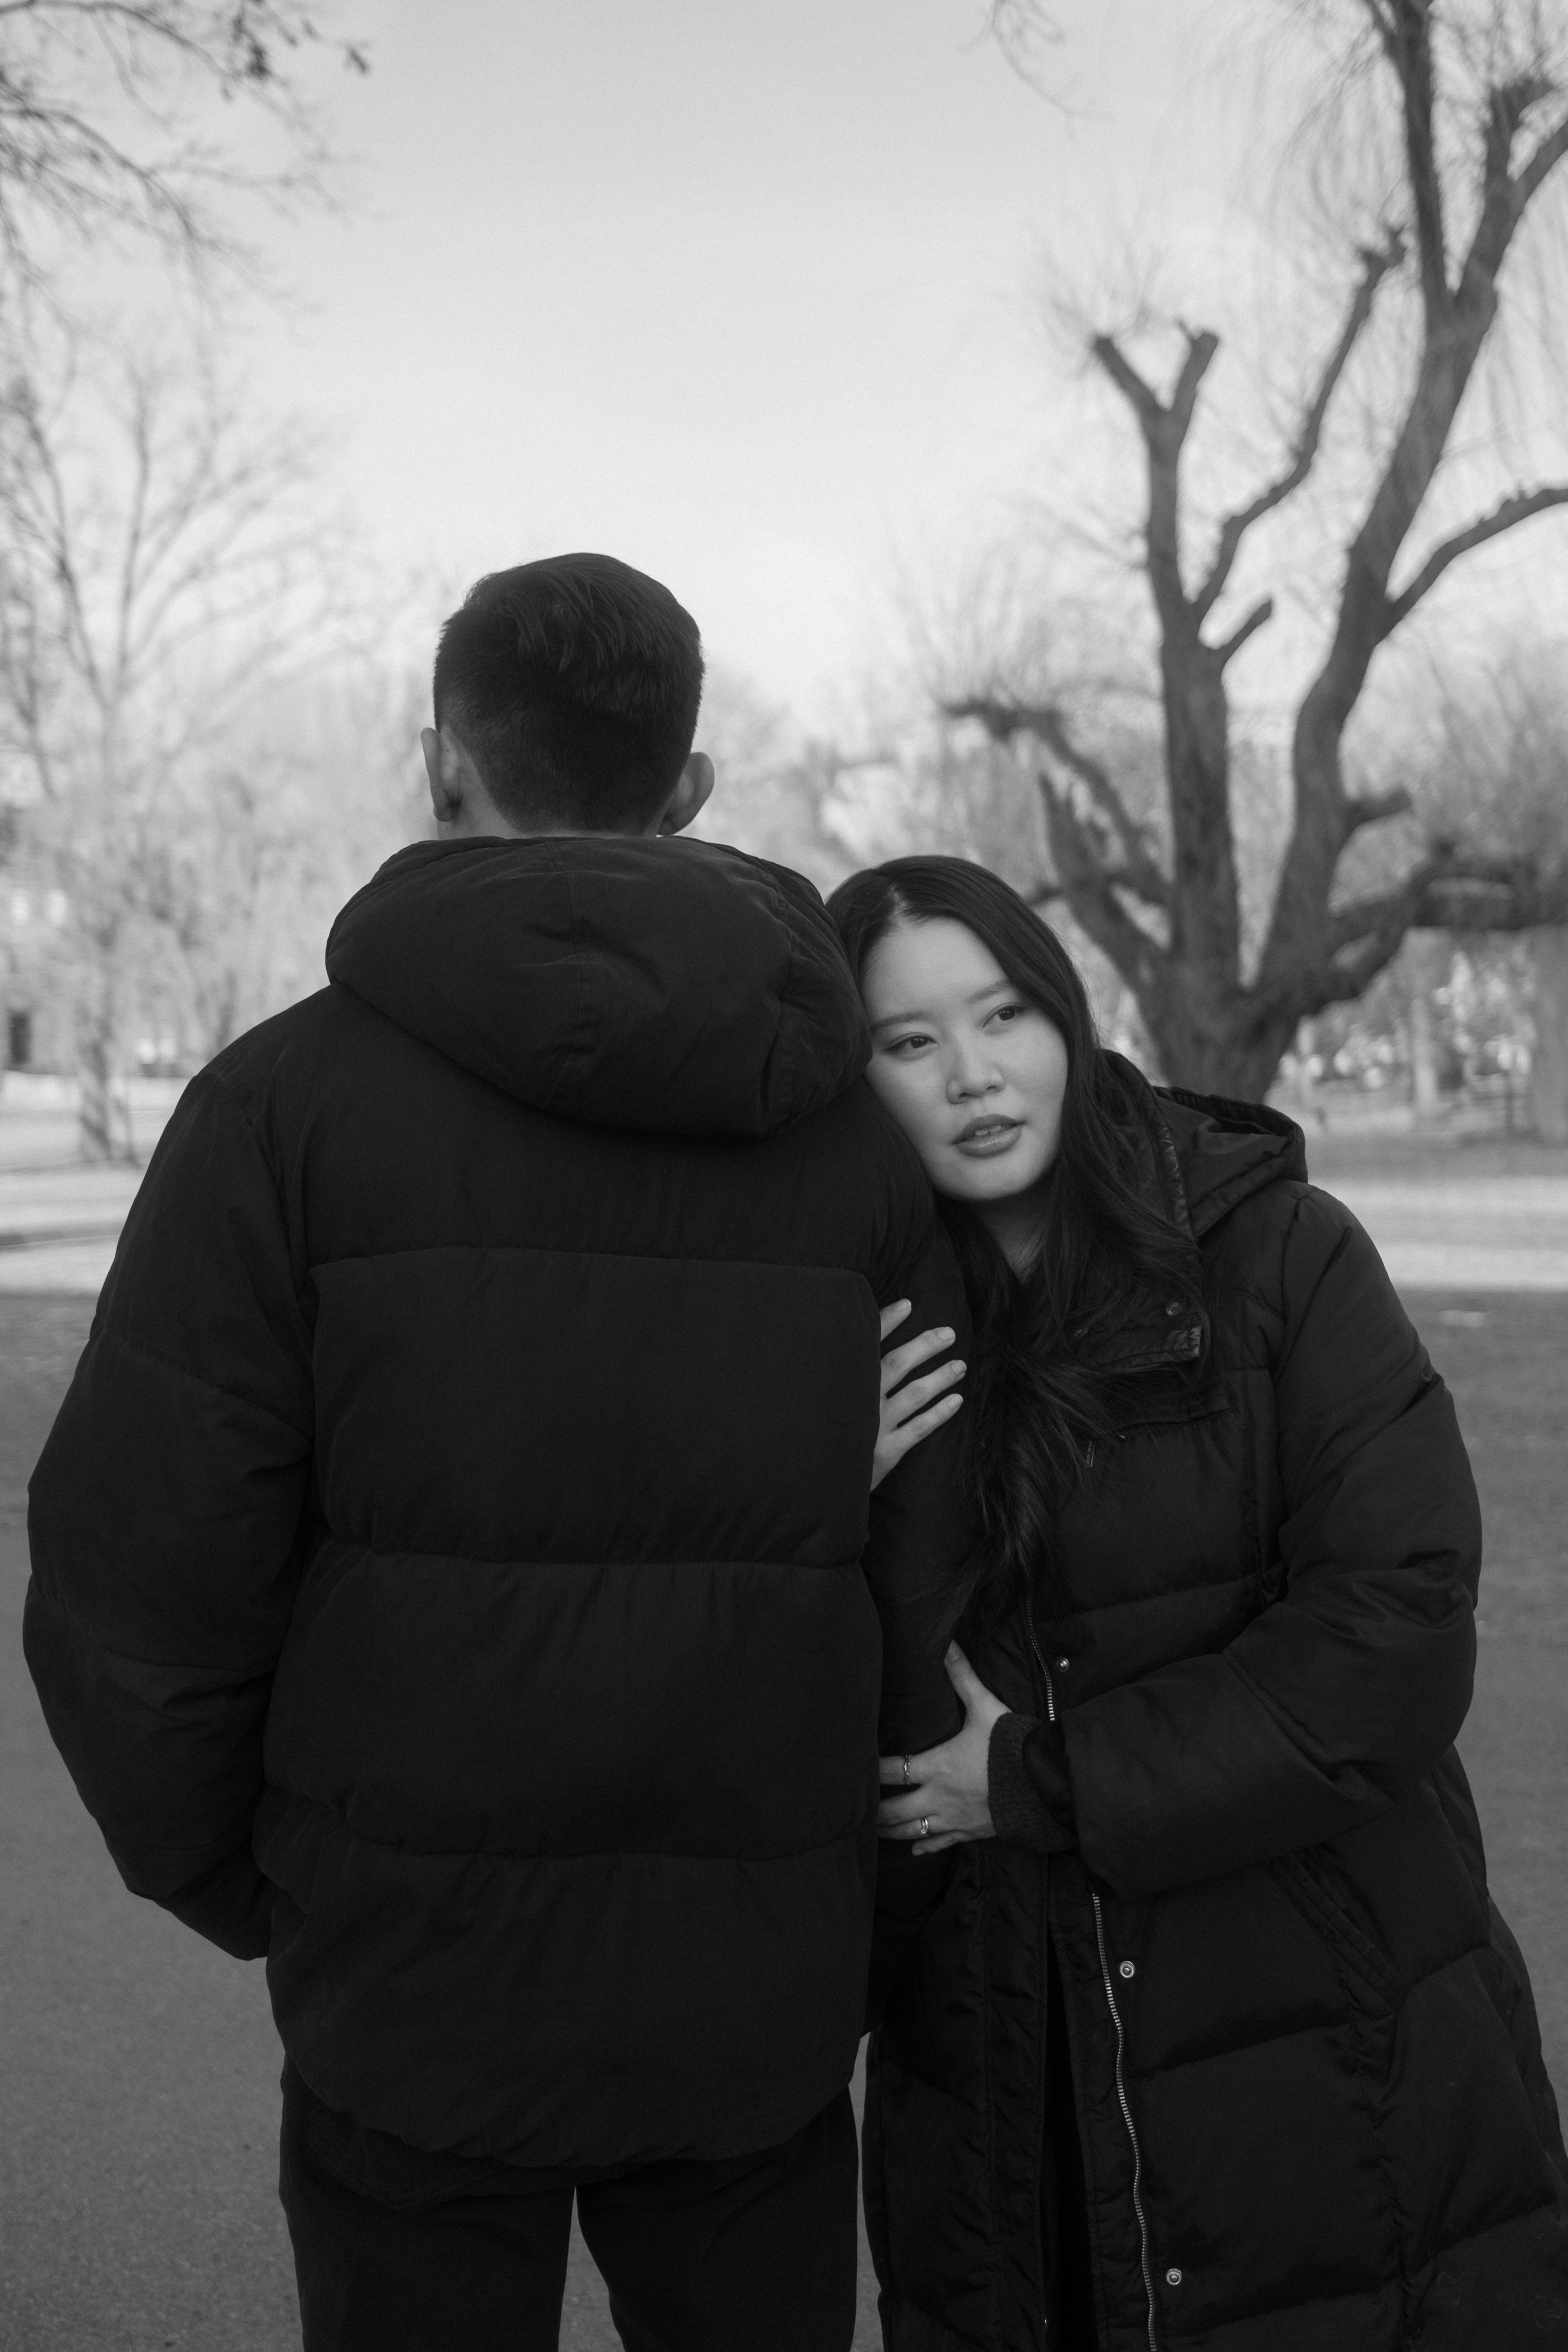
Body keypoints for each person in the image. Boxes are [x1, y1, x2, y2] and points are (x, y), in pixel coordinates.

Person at [23, 556, 973, 2352]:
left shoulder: (275, 1109)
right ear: (688, 787)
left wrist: (271, 1881)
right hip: (752, 1992)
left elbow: (133, 1586)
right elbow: (934, 1559)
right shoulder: (850, 1140)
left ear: (439, 759)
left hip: (409, 1985)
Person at [828, 854, 1568, 2352]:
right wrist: (820, 1503)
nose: (971, 1075)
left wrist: (1036, 1780)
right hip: (991, 2075)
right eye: (906, 1043)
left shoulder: (1275, 1256)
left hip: (1321, 2045)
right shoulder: (846, 1327)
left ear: (1065, 1015)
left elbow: (1394, 1635)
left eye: (1001, 1015)